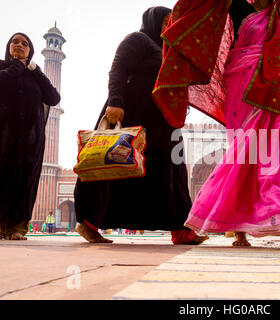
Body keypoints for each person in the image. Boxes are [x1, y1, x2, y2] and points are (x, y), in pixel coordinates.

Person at [153, 0, 280, 249]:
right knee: (247, 157)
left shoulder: (278, 17)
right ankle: (240, 232)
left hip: (275, 91)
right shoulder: (238, 7)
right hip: (243, 85)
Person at [74, 7, 208, 245]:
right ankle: (89, 223)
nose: (170, 26)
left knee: (171, 172)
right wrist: (115, 102)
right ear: (154, 21)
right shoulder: (139, 40)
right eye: (167, 21)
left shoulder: (168, 50)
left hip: (164, 120)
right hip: (134, 114)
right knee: (114, 164)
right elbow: (118, 69)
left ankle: (180, 229)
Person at [0, 33, 60, 241]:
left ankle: (17, 227)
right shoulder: (2, 67)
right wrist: (18, 65)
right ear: (8, 46)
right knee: (2, 176)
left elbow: (53, 97)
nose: (19, 45)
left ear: (31, 50)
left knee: (25, 180)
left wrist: (35, 71)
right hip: (4, 133)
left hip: (30, 139)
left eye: (24, 43)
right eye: (15, 42)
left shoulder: (35, 74)